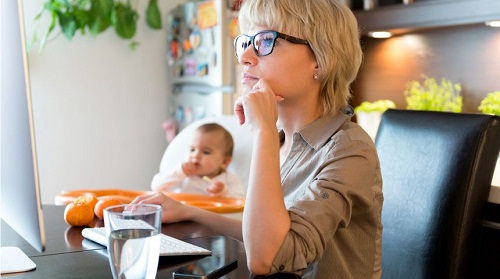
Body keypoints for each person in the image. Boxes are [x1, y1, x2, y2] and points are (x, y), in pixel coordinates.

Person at [133, 0, 383, 278]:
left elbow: (269, 257)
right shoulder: (281, 141)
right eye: (246, 41)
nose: (244, 57)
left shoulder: (348, 149)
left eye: (266, 41)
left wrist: (262, 130)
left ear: (321, 59)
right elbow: (263, 234)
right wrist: (186, 211)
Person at [151, 123, 244, 198]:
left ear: (225, 162)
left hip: (210, 218)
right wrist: (180, 171)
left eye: (206, 152)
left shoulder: (229, 179)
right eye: (192, 150)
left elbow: (240, 202)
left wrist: (223, 192)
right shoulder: (183, 176)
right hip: (181, 216)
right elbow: (156, 186)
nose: (195, 155)